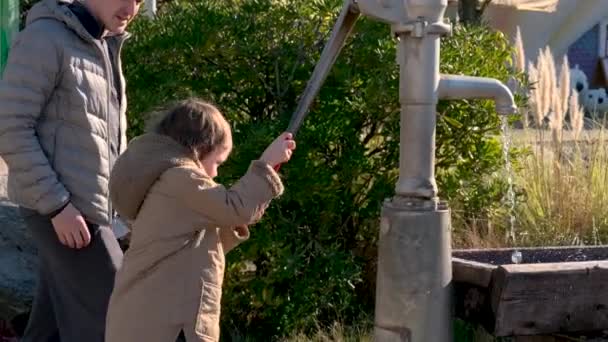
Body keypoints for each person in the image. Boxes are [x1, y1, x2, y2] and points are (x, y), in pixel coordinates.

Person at [0, 0, 142, 341]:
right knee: (117, 321)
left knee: (47, 331)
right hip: (66, 213)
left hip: (88, 211)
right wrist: (57, 206)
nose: (132, 8)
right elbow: (10, 126)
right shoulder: (45, 39)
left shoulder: (102, 42)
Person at [105, 98, 296, 342]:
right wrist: (267, 165)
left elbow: (202, 243)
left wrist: (240, 213)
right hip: (167, 324)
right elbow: (235, 207)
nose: (216, 174)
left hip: (149, 320)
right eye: (216, 163)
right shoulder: (181, 179)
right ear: (198, 148)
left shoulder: (168, 183)